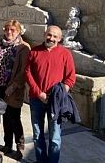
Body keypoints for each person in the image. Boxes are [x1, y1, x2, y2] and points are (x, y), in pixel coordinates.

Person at [25, 25, 76, 163]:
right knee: (37, 134)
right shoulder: (34, 52)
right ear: (44, 34)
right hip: (36, 99)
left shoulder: (65, 54)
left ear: (59, 39)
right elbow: (28, 73)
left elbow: (70, 78)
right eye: (49, 35)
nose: (51, 38)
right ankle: (41, 160)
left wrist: (58, 95)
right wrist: (40, 93)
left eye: (55, 36)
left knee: (55, 137)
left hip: (55, 103)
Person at [0, 20, 30, 160]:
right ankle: (7, 144)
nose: (9, 32)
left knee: (14, 118)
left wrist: (14, 86)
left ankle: (20, 147)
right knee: (5, 117)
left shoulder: (23, 48)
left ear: (18, 31)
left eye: (12, 30)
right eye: (6, 29)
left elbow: (24, 71)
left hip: (13, 88)